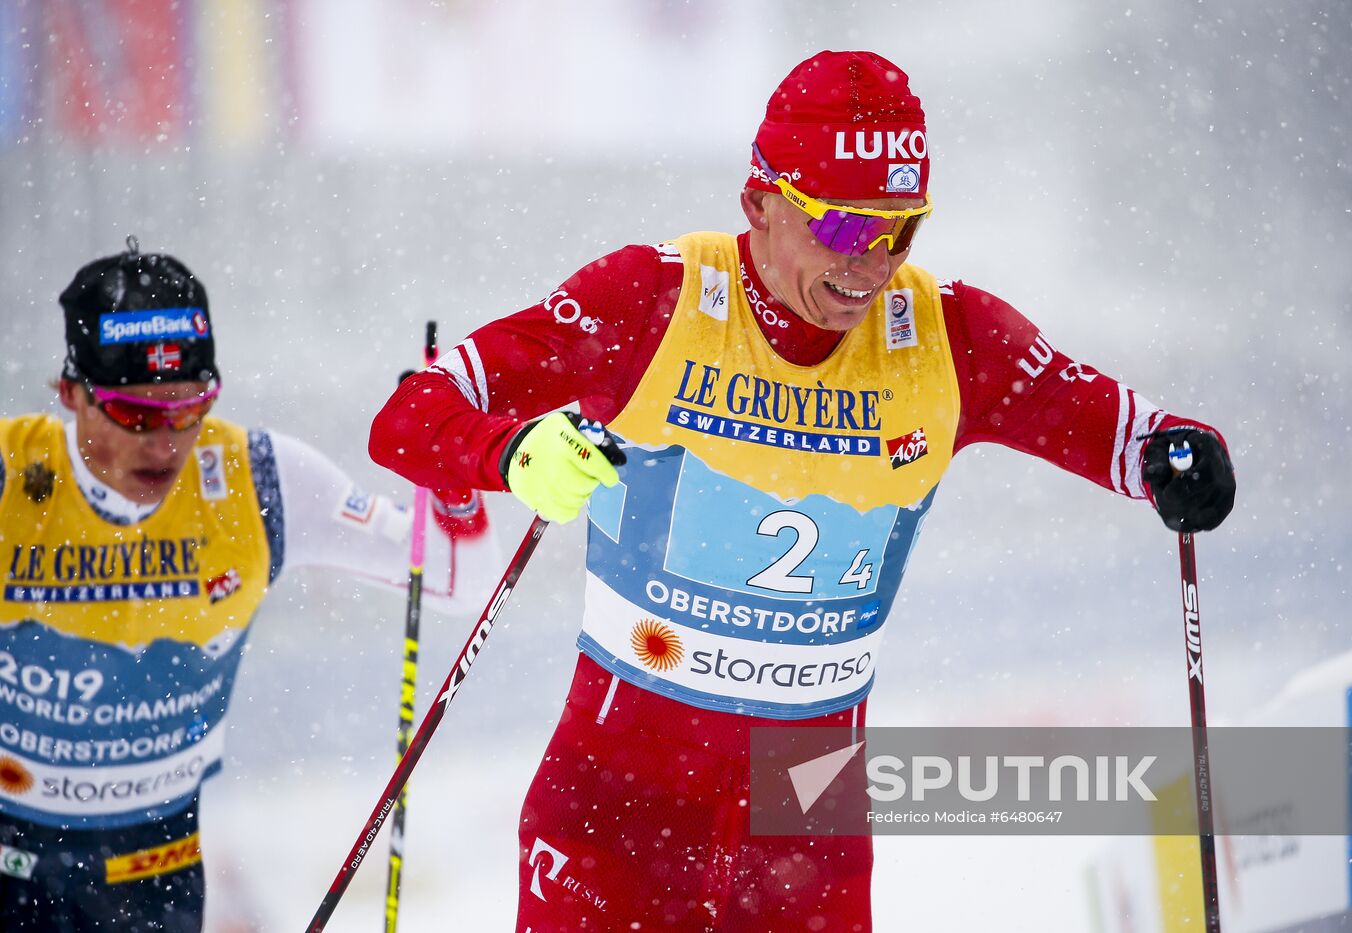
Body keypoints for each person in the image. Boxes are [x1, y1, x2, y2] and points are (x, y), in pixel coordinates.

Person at [371, 50, 1236, 932]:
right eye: (849, 228)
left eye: (901, 232)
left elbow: (1125, 433)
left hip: (804, 831)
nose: (874, 266)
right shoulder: (652, 299)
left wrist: (1176, 454)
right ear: (760, 203)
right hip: (616, 814)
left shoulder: (950, 337)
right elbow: (411, 413)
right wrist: (516, 452)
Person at [0, 239, 494, 932]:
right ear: (72, 395)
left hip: (156, 877)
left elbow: (458, 577)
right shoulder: (11, 477)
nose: (167, 441)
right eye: (139, 416)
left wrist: (449, 460)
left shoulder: (255, 477)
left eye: (190, 406)